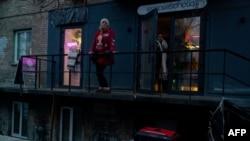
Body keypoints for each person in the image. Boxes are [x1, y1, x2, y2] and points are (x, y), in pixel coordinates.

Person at [88, 18, 117, 93]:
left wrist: (112, 50)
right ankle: (102, 87)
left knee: (99, 72)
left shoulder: (110, 32)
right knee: (98, 72)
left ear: (108, 25)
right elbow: (94, 43)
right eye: (102, 22)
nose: (103, 24)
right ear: (100, 24)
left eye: (105, 23)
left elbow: (112, 41)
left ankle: (106, 87)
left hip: (105, 55)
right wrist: (91, 51)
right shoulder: (97, 33)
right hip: (97, 55)